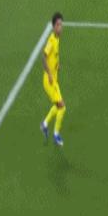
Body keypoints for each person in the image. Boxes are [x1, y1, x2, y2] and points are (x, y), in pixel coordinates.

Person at [40, 12, 67, 146]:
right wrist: (50, 74)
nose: (60, 27)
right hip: (49, 81)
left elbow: (53, 57)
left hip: (54, 80)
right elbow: (43, 57)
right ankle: (56, 135)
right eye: (58, 25)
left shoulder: (57, 39)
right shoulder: (51, 40)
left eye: (61, 24)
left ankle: (45, 124)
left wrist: (57, 65)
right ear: (53, 26)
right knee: (62, 107)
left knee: (58, 105)